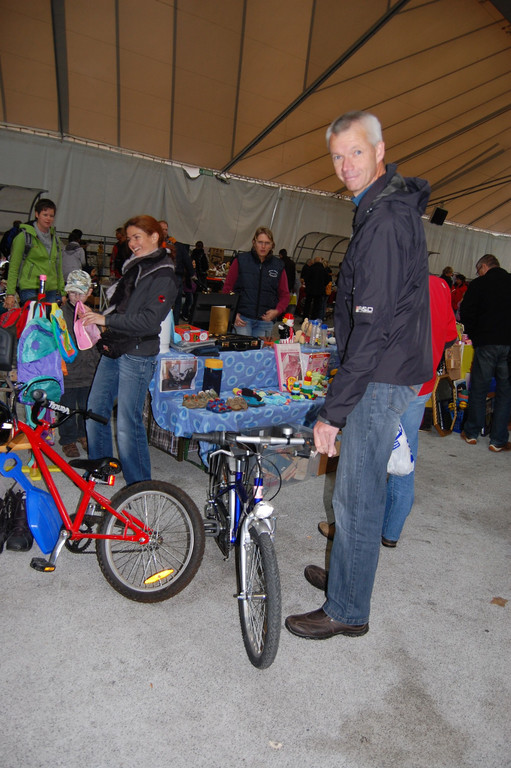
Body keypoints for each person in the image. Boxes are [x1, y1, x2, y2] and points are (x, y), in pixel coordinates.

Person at [285, 110, 432, 641]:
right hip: (385, 370)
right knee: (356, 491)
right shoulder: (381, 209)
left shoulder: (385, 220)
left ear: (380, 151)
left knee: (357, 497)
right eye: (337, 155)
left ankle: (348, 608)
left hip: (377, 376)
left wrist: (334, 411)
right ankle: (348, 576)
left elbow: (371, 330)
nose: (346, 164)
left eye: (356, 152)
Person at [318, 276, 457, 546]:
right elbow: (450, 337)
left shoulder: (394, 280)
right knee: (404, 455)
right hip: (421, 383)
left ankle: (351, 531)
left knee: (365, 460)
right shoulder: (440, 286)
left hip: (387, 383)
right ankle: (390, 532)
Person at [81, 215, 177, 485]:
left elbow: (149, 321)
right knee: (95, 411)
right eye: (129, 238)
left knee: (127, 422)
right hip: (115, 346)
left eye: (137, 237)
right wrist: (96, 316)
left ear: (155, 237)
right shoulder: (134, 269)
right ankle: (102, 470)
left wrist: (106, 320)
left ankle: (139, 486)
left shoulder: (164, 275)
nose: (132, 243)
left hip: (137, 353)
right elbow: (124, 309)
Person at [459, 253, 511, 452]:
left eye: (478, 270)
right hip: (508, 345)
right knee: (505, 392)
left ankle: (472, 433)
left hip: (486, 343)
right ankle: (498, 440)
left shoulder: (479, 284)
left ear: (483, 267)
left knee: (479, 388)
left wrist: (475, 335)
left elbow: (466, 311)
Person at [58, 270, 100, 458]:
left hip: (89, 371)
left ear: (89, 292)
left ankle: (83, 435)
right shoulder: (59, 315)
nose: (76, 297)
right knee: (66, 408)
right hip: (68, 373)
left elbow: (98, 341)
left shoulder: (92, 315)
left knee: (86, 407)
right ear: (67, 292)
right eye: (72, 292)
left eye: (80, 293)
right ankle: (68, 439)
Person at [221, 226, 290, 338]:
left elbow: (285, 295)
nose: (263, 246)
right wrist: (232, 312)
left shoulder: (278, 266)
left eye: (267, 243)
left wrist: (277, 311)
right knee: (243, 349)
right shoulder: (241, 260)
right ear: (254, 242)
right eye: (260, 242)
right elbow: (227, 288)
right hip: (242, 320)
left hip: (265, 322)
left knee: (262, 349)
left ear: (272, 245)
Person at [4, 198, 65, 309]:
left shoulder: (56, 239)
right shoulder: (24, 237)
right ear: (37, 214)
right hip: (30, 288)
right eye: (45, 215)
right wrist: (10, 293)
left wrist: (62, 291)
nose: (48, 218)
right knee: (34, 318)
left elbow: (58, 266)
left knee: (49, 319)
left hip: (51, 289)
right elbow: (14, 266)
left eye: (51, 216)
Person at [303, 254, 329, 320]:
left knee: (307, 305)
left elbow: (306, 278)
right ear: (320, 261)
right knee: (316, 306)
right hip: (319, 290)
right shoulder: (324, 270)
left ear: (314, 261)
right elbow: (327, 280)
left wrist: (308, 285)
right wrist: (323, 285)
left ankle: (305, 318)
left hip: (310, 290)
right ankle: (314, 319)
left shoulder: (310, 268)